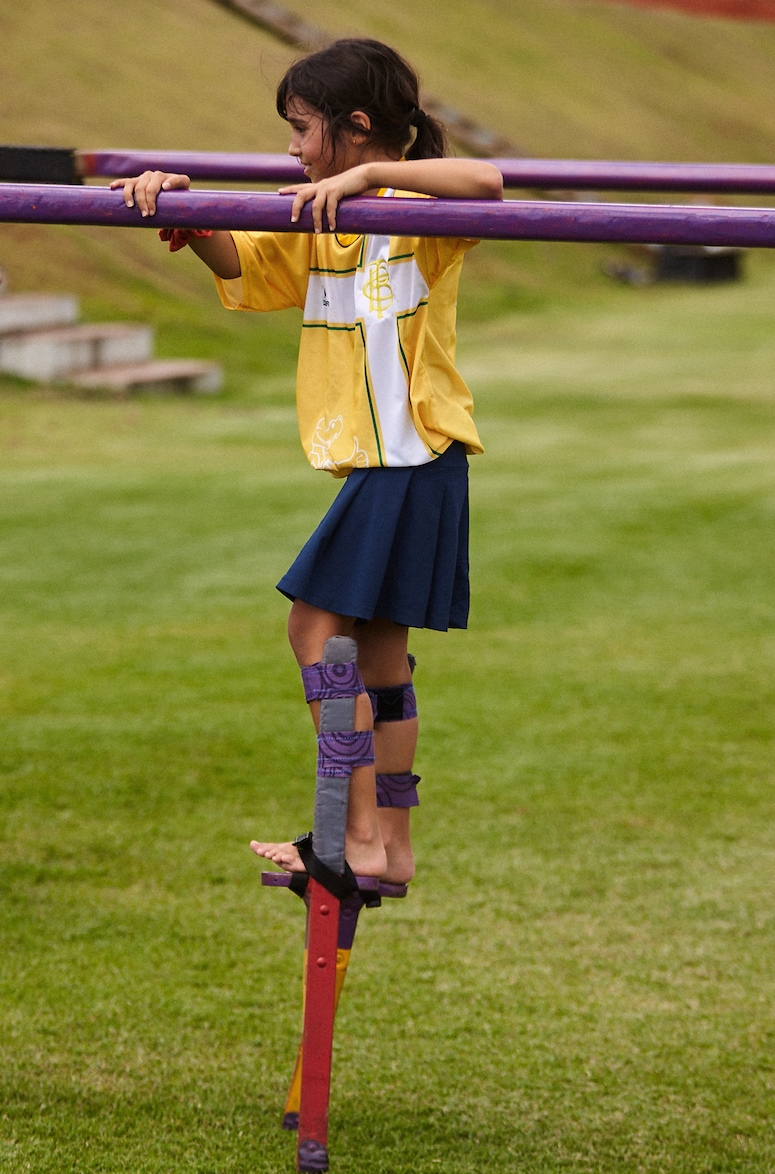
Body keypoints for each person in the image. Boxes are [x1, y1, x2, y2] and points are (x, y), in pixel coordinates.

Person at [110, 38, 503, 884]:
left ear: (357, 128)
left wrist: (367, 180)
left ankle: (352, 835)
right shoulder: (317, 216)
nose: (292, 149)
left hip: (413, 457)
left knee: (313, 629)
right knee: (382, 658)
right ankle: (390, 848)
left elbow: (490, 185)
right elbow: (244, 267)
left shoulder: (417, 217)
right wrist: (179, 208)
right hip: (391, 465)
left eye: (302, 130)